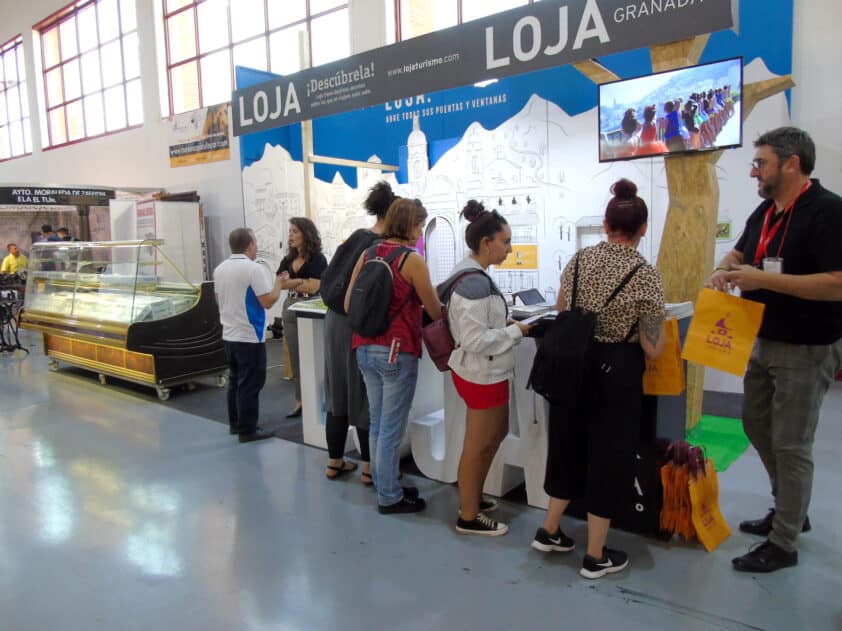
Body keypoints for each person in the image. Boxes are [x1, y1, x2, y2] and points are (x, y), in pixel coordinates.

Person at [706, 127, 842, 573]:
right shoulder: (766, 211)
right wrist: (727, 266)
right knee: (755, 424)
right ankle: (789, 508)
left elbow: (837, 283)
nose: (753, 172)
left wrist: (764, 280)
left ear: (792, 163)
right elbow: (743, 253)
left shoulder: (827, 211)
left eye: (760, 163)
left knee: (791, 443)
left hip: (807, 347)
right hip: (761, 339)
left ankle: (784, 541)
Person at [533, 178, 666, 579]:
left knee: (567, 444)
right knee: (609, 456)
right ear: (643, 228)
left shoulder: (578, 260)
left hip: (571, 365)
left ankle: (550, 529)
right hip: (617, 370)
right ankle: (595, 555)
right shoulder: (646, 273)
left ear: (607, 225)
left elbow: (560, 310)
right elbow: (652, 345)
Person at [438, 200, 531, 536]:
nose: (509, 248)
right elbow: (475, 340)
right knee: (478, 445)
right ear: (486, 243)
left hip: (486, 371)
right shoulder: (473, 284)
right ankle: (468, 514)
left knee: (492, 436)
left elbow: (475, 328)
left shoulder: (473, 277)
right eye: (505, 242)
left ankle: (472, 497)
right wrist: (513, 331)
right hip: (482, 373)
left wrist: (502, 323)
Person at [345, 198, 442, 514]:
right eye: (419, 225)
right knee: (391, 426)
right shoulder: (411, 261)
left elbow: (349, 304)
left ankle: (383, 481)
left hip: (363, 347)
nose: (419, 233)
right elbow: (434, 308)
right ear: (410, 225)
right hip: (397, 351)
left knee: (377, 421)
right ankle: (389, 496)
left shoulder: (368, 254)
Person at [323, 181, 396, 483]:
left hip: (333, 320)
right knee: (366, 393)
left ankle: (334, 461)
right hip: (359, 324)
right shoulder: (382, 246)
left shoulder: (357, 237)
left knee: (336, 390)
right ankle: (368, 467)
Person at [214, 228, 284, 443]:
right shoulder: (253, 270)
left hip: (229, 334)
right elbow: (267, 301)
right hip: (249, 336)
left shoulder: (220, 269)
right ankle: (248, 430)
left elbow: (219, 300)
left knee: (235, 381)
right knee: (251, 382)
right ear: (250, 245)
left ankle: (236, 424)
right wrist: (279, 284)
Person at [277, 217, 328, 418]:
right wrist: (301, 281)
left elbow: (314, 287)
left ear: (306, 234)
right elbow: (279, 283)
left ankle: (320, 399)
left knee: (316, 355)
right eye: (290, 231)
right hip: (290, 307)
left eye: (295, 231)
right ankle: (301, 400)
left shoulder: (318, 259)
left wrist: (293, 281)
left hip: (312, 305)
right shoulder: (287, 259)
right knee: (296, 357)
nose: (290, 235)